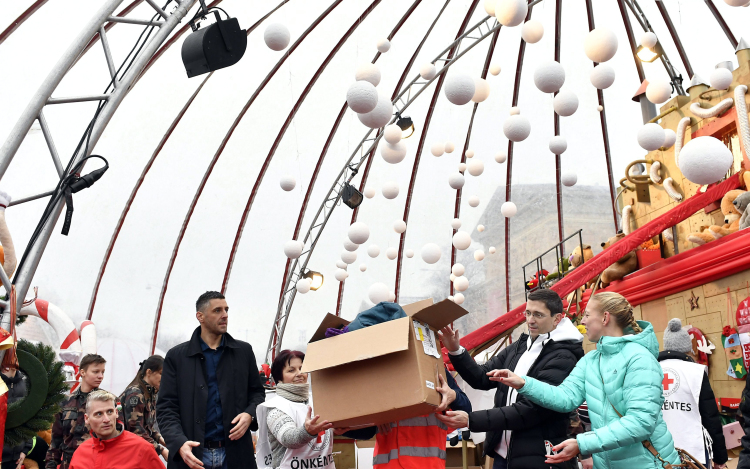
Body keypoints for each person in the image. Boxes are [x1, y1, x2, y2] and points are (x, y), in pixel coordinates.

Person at [492, 292, 679, 469]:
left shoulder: (639, 359)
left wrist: (582, 443)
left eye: (587, 315)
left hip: (647, 463)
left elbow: (640, 422)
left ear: (605, 318)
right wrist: (524, 383)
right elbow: (566, 397)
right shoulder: (591, 360)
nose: (582, 321)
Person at [437, 288, 584, 469]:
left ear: (557, 319)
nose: (530, 320)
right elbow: (482, 378)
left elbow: (530, 410)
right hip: (505, 455)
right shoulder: (520, 346)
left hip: (538, 458)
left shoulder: (563, 356)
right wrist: (455, 350)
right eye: (528, 313)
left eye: (538, 314)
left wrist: (471, 420)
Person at [157, 291, 266, 469]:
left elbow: (257, 393)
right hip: (192, 455)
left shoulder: (243, 352)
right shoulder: (177, 357)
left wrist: (250, 414)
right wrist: (179, 443)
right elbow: (166, 407)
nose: (225, 315)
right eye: (217, 310)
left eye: (226, 310)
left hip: (236, 455)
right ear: (200, 316)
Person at [256, 350, 375, 469]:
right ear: (279, 377)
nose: (299, 373)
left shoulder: (318, 401)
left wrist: (336, 429)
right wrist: (307, 431)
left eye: (302, 368)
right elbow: (288, 438)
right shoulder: (276, 407)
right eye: (291, 370)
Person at [659, 318, 727, 469]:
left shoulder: (651, 371)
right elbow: (710, 417)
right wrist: (720, 457)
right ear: (688, 348)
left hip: (659, 453)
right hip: (692, 453)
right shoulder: (695, 371)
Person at [68, 390, 164, 469]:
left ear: (116, 413)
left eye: (110, 412)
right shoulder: (81, 453)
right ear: (87, 419)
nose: (106, 419)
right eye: (99, 414)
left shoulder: (142, 448)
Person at [45, 353, 106, 469]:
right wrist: (50, 466)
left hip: (95, 463)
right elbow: (56, 441)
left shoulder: (107, 402)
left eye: (103, 372)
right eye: (96, 372)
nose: (100, 376)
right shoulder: (65, 402)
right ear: (82, 372)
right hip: (68, 463)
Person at [119, 355, 168, 460]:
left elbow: (148, 427)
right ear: (149, 372)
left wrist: (164, 442)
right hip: (127, 453)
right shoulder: (136, 394)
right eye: (161, 374)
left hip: (139, 449)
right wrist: (161, 450)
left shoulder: (150, 394)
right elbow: (136, 430)